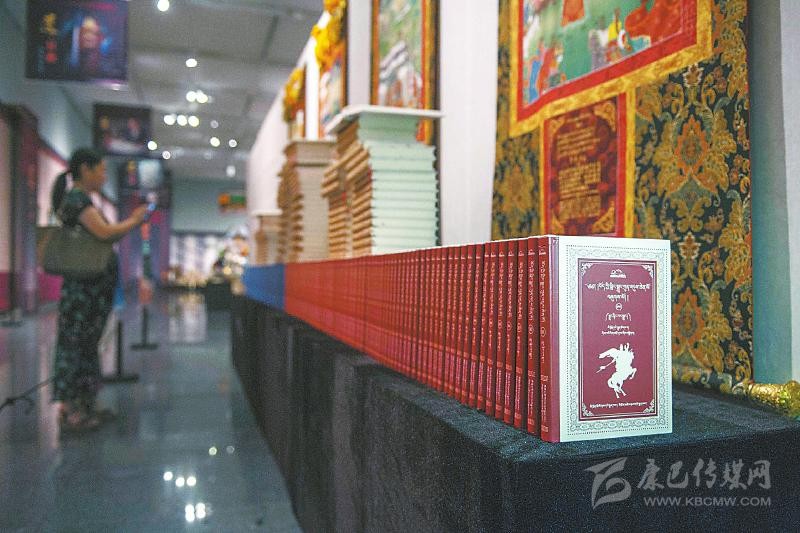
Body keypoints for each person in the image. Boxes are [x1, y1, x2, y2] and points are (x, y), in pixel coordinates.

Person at [50, 148, 148, 432]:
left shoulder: (83, 200)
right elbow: (105, 233)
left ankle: (84, 405)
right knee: (77, 346)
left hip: (91, 291)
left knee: (86, 345)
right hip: (82, 292)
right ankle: (71, 410)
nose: (104, 176)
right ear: (85, 169)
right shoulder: (77, 200)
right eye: (101, 170)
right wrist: (135, 220)